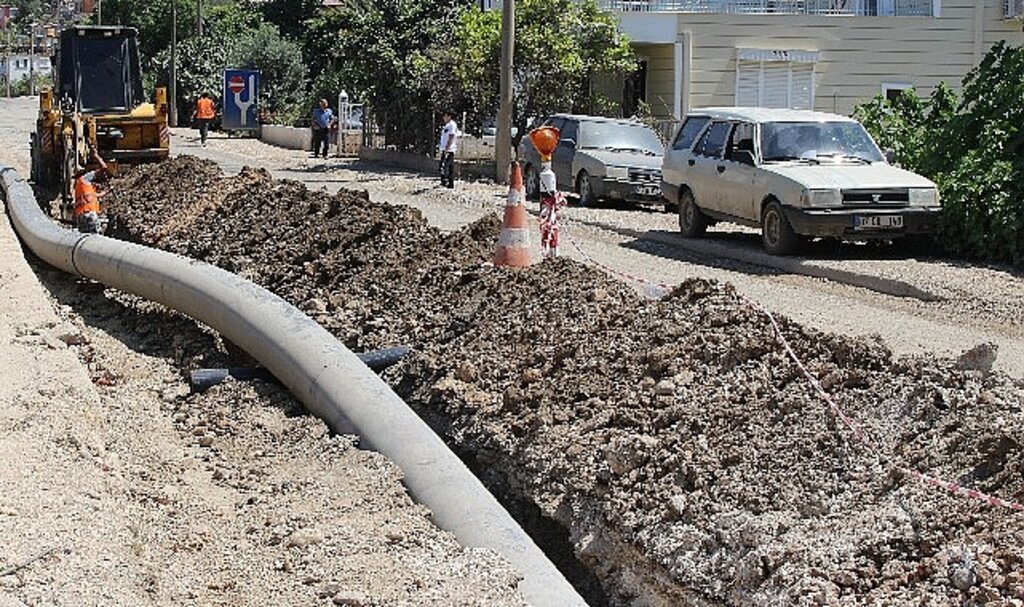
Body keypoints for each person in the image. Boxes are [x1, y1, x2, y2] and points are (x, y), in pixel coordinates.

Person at [73, 147, 109, 234]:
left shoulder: (79, 185)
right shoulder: (85, 179)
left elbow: (92, 196)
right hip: (89, 215)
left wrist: (106, 192)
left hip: (81, 217)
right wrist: (96, 156)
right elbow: (104, 167)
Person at [437, 110, 458, 188]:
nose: (443, 118)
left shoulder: (452, 125)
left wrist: (447, 148)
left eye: (445, 116)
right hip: (446, 149)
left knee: (443, 166)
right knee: (450, 167)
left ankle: (445, 181)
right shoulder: (447, 125)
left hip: (449, 149)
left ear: (449, 116)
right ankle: (450, 183)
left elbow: (451, 136)